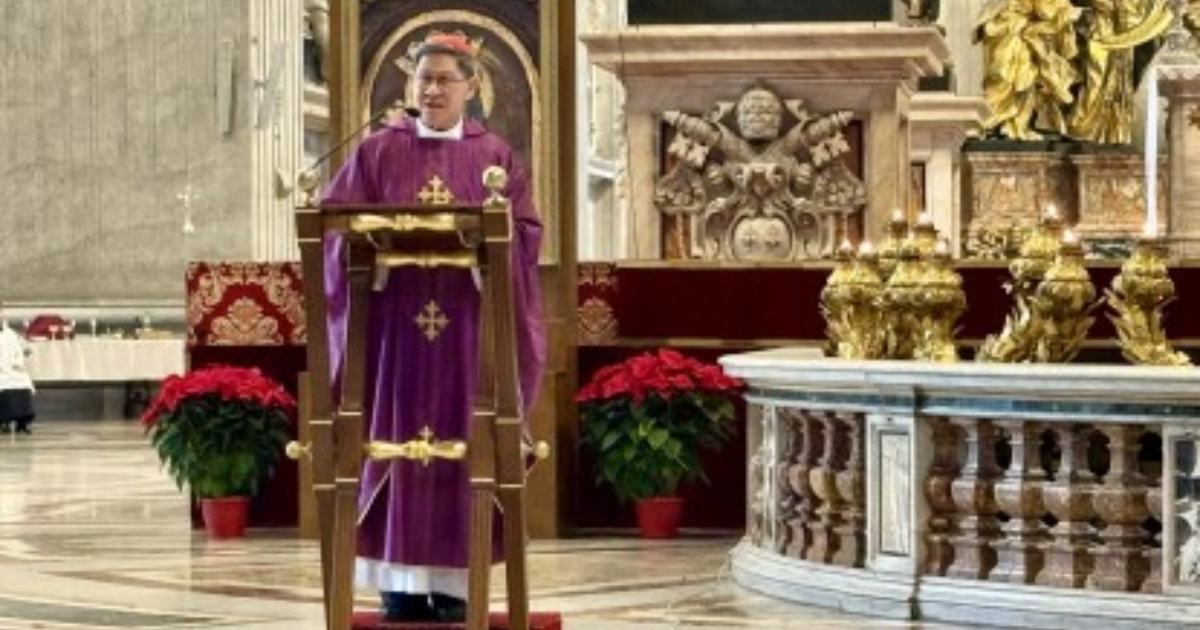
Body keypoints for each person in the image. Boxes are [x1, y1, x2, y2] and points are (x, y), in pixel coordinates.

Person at [320, 31, 546, 623]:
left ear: (471, 88)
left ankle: (455, 586)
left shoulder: (494, 156)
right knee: (394, 441)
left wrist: (483, 250)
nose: (433, 90)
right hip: (395, 335)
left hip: (468, 334)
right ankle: (398, 583)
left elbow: (525, 233)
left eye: (446, 80)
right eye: (424, 79)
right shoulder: (377, 152)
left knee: (466, 441)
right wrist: (370, 251)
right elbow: (335, 228)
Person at [0, 304, 35, 435]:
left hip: (11, 367)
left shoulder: (10, 333)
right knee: (3, 381)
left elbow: (18, 351)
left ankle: (23, 421)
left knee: (23, 379)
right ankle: (4, 421)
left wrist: (17, 363)